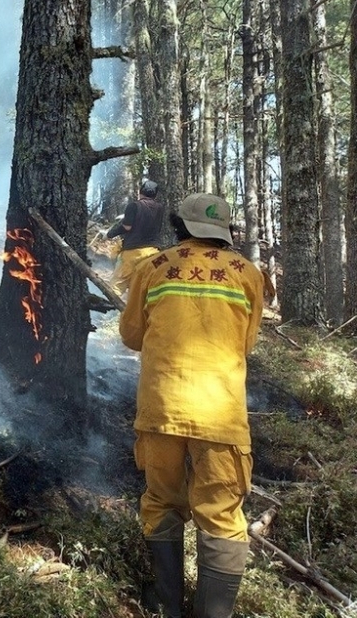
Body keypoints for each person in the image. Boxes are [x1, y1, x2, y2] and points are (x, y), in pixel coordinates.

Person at [119, 193, 265, 618]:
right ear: (224, 233)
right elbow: (247, 341)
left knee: (162, 501)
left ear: (179, 226)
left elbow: (131, 336)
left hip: (161, 409)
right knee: (220, 513)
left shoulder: (153, 267)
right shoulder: (248, 274)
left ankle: (165, 606)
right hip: (221, 416)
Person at [106, 180, 166, 299]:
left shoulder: (134, 206)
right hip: (153, 252)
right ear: (156, 194)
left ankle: (107, 310)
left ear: (140, 191)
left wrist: (111, 233)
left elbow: (127, 227)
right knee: (144, 286)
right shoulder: (160, 208)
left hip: (133, 252)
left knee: (117, 285)